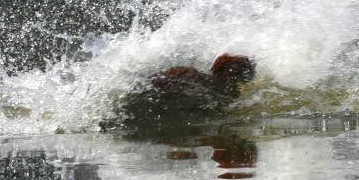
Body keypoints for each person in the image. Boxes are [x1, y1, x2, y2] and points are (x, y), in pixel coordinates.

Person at [108, 53, 257, 127]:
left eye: (237, 79)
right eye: (233, 76)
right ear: (221, 70)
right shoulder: (194, 77)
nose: (234, 83)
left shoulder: (221, 90)